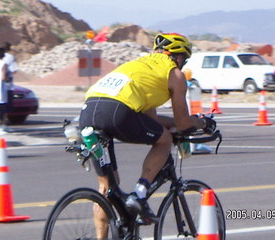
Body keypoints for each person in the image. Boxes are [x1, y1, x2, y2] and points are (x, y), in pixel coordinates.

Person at [79, 32, 216, 236]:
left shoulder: (140, 65)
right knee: (165, 140)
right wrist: (203, 122)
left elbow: (152, 119)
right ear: (178, 57)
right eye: (184, 60)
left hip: (88, 111)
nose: (183, 65)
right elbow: (184, 122)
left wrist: (174, 124)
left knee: (107, 188)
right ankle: (139, 194)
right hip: (118, 111)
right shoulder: (175, 75)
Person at [2, 42, 19, 130]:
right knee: (6, 106)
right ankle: (3, 124)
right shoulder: (10, 57)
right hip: (7, 86)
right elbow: (14, 70)